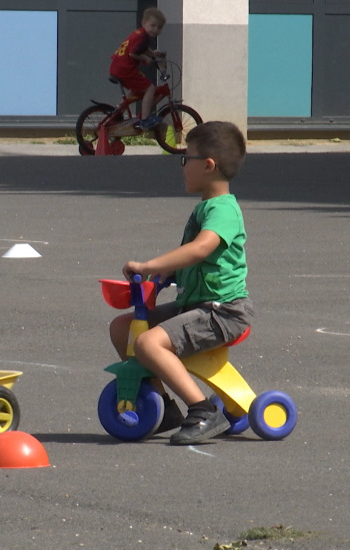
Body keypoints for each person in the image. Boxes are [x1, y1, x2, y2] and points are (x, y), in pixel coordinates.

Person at [108, 121, 253, 445]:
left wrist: (149, 265)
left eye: (186, 157)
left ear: (208, 165)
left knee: (147, 343)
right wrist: (167, 276)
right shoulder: (207, 207)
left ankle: (203, 409)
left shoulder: (223, 209)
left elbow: (202, 248)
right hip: (196, 305)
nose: (183, 165)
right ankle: (164, 405)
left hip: (222, 312)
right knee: (123, 327)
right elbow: (201, 261)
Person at [109, 7, 166, 130]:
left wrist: (153, 53)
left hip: (118, 66)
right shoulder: (143, 37)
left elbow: (141, 48)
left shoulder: (139, 33)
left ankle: (117, 111)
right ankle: (145, 119)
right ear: (144, 23)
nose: (156, 29)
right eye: (153, 25)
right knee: (150, 88)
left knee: (137, 88)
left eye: (159, 27)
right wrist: (146, 59)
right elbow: (133, 53)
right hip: (125, 69)